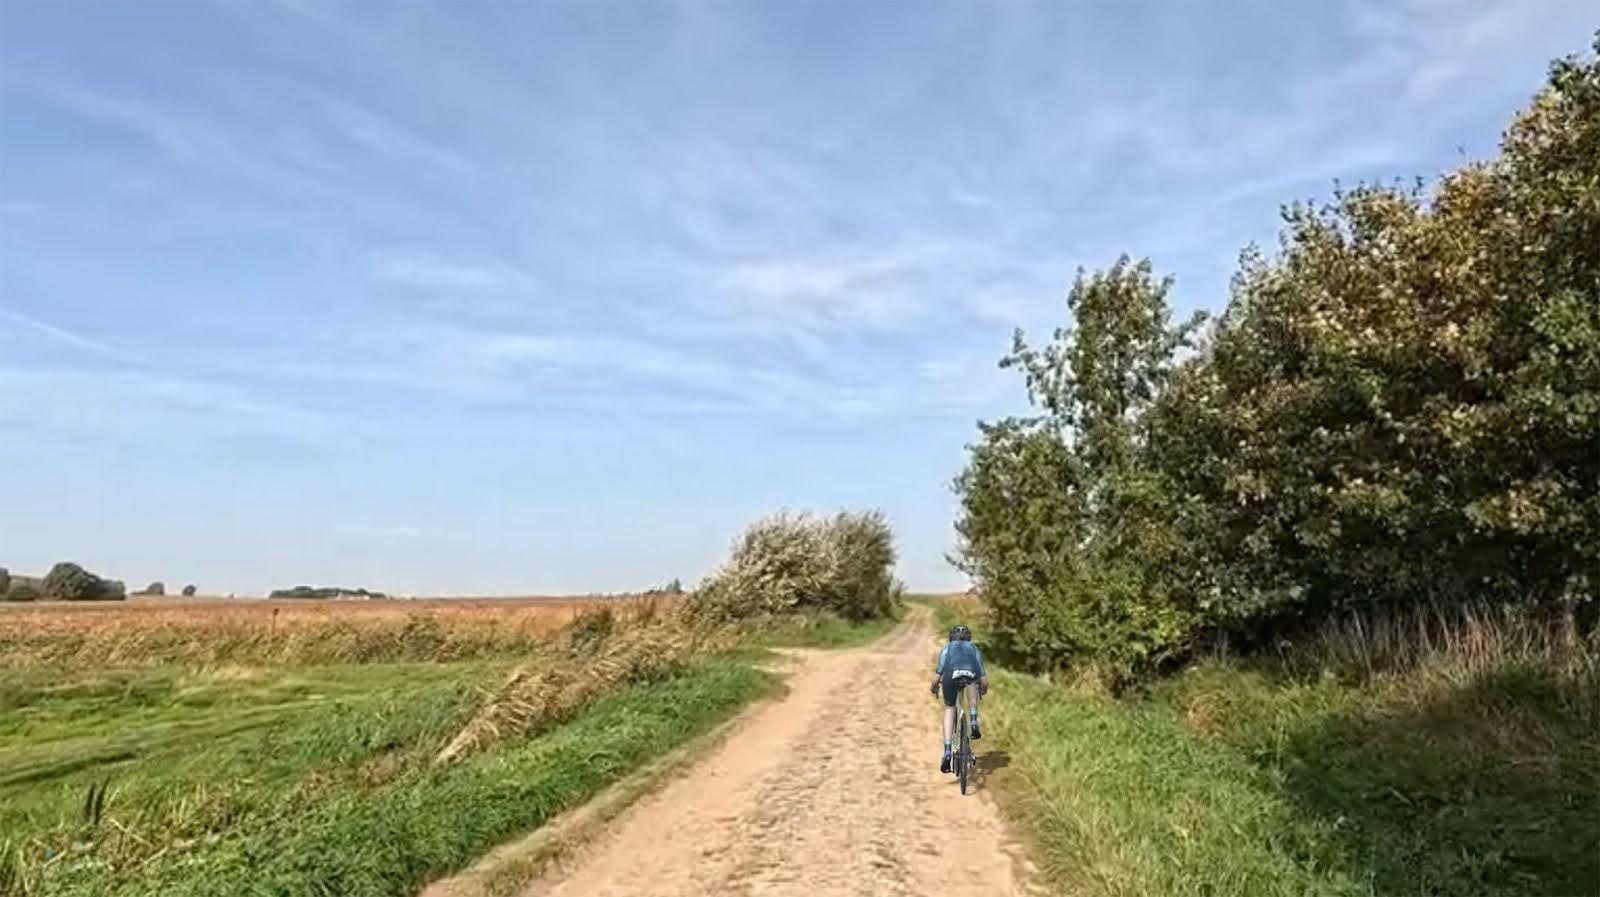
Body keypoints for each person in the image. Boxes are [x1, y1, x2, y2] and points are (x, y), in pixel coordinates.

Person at [929, 623, 988, 773]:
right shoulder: (974, 648)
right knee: (973, 685)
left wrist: (934, 687)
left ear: (951, 638)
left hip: (951, 676)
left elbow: (937, 676)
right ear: (969, 637)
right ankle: (974, 721)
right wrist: (983, 688)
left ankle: (948, 750)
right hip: (971, 674)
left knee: (950, 708)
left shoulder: (947, 649)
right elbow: (984, 680)